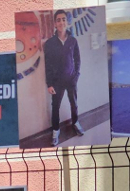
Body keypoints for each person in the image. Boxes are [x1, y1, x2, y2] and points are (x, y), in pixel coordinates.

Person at [44, 10, 84, 147]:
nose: (61, 22)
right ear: (55, 24)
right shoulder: (49, 43)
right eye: (58, 20)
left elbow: (77, 60)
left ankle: (76, 122)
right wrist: (49, 84)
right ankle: (56, 131)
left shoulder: (73, 41)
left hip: (71, 80)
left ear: (67, 22)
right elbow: (48, 65)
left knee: (74, 103)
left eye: (63, 19)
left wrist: (76, 76)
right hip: (56, 82)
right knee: (55, 107)